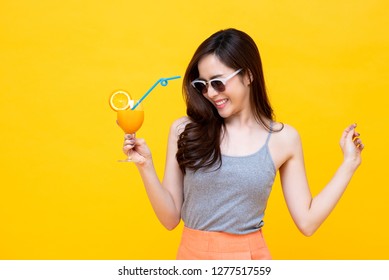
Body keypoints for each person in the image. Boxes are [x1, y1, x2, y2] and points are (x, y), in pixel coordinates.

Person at [122, 28, 364, 260]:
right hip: (191, 258)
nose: (210, 93)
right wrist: (145, 166)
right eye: (202, 85)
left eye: (218, 82)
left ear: (248, 75)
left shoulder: (284, 139)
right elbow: (170, 219)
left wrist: (349, 164)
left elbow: (308, 222)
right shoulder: (184, 130)